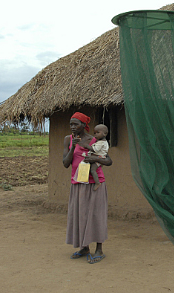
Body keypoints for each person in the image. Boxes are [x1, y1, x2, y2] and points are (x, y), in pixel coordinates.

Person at [63, 112, 112, 264]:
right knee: (80, 215)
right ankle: (84, 247)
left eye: (76, 124)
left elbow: (109, 161)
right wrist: (74, 147)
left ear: (84, 126)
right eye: (71, 124)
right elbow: (65, 163)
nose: (72, 127)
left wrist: (96, 158)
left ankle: (99, 249)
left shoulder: (94, 139)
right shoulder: (68, 139)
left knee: (96, 215)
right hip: (78, 183)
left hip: (95, 184)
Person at [75, 124, 109, 191]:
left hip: (99, 158)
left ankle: (97, 182)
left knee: (92, 170)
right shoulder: (100, 142)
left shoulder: (101, 143)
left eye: (98, 133)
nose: (95, 134)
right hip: (98, 157)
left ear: (105, 134)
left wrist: (87, 146)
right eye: (94, 133)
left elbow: (94, 149)